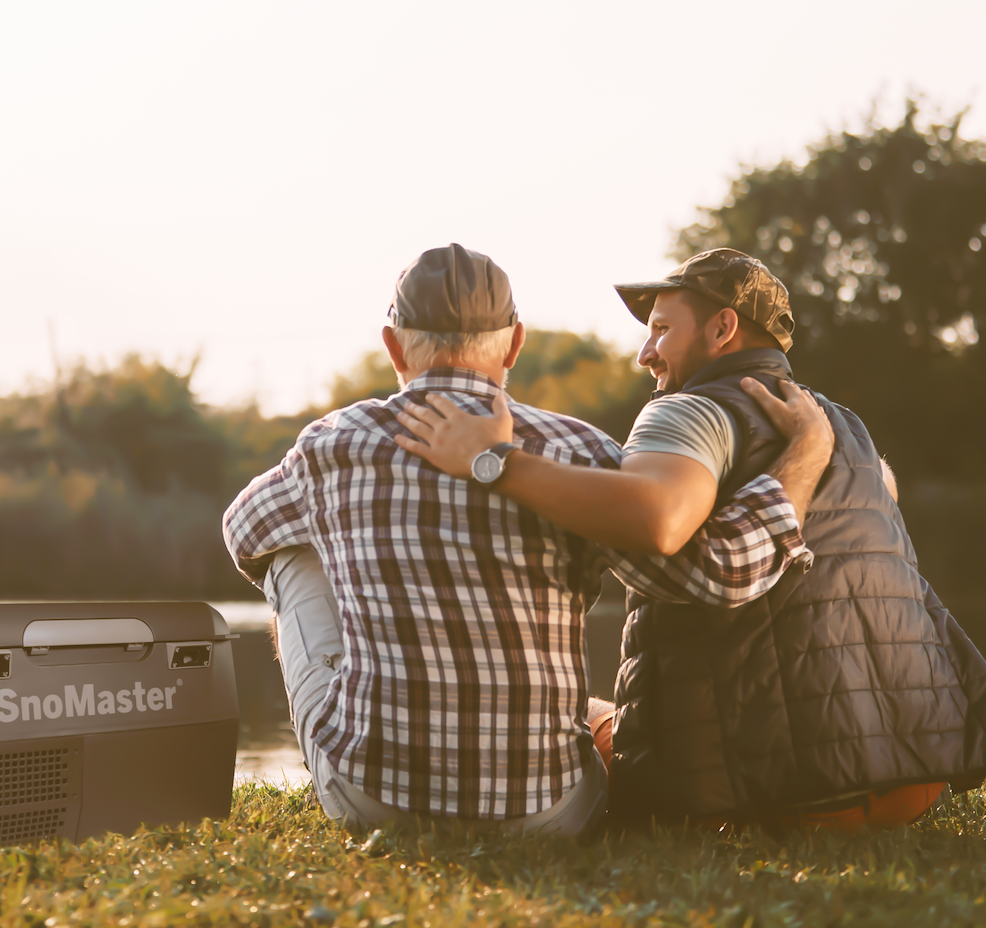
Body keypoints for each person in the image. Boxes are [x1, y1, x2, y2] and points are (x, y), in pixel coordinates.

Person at [223, 244, 833, 836]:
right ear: (516, 341)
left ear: (392, 346)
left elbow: (243, 532)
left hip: (370, 801)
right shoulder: (582, 452)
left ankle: (366, 728)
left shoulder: (328, 444)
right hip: (553, 812)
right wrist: (803, 461)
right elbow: (712, 575)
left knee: (287, 548)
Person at [396, 247, 986, 829]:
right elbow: (884, 489)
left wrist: (495, 460)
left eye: (661, 329)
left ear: (723, 328)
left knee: (578, 714)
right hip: (912, 784)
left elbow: (659, 523)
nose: (643, 354)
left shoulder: (685, 412)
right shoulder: (839, 425)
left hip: (778, 799)